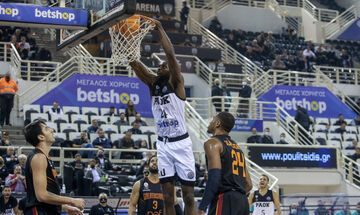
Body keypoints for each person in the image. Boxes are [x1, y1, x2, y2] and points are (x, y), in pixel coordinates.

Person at [129, 19, 196, 215]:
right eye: (159, 66)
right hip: (164, 146)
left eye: (165, 66)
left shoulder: (176, 82)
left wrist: (159, 27)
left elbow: (170, 54)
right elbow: (137, 66)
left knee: (188, 196)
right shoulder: (153, 84)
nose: (161, 66)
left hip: (181, 144)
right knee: (167, 197)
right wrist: (128, 46)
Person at [23, 120, 84, 214]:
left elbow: (48, 192)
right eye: (46, 129)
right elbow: (41, 196)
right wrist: (71, 200)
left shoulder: (44, 157)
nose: (51, 130)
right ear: (41, 137)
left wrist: (64, 207)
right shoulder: (39, 158)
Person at [198, 112, 252, 215]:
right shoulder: (237, 148)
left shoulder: (213, 143)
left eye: (212, 120)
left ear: (217, 123)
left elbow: (214, 178)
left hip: (225, 199)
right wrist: (236, 197)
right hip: (243, 202)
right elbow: (249, 184)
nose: (210, 122)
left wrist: (202, 207)